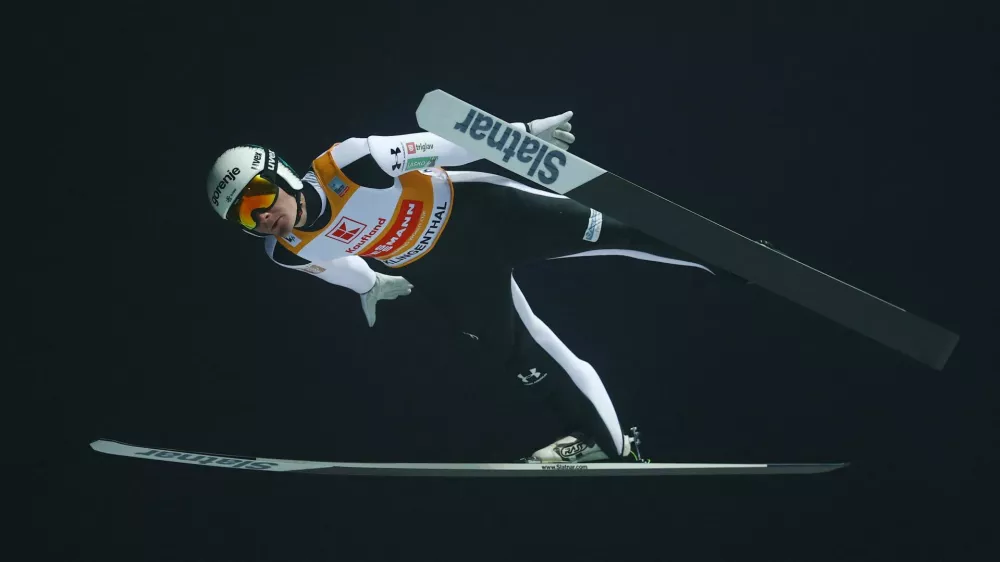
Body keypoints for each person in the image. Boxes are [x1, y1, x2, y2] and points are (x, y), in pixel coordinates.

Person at [205, 110, 713, 463]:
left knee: (617, 233)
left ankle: (729, 259)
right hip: (444, 272)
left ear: (282, 176)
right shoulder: (289, 251)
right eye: (245, 217)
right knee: (524, 356)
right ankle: (609, 441)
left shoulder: (349, 164)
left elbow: (441, 145)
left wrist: (521, 133)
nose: (263, 217)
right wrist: (372, 285)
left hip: (481, 216)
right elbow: (341, 267)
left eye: (259, 197)